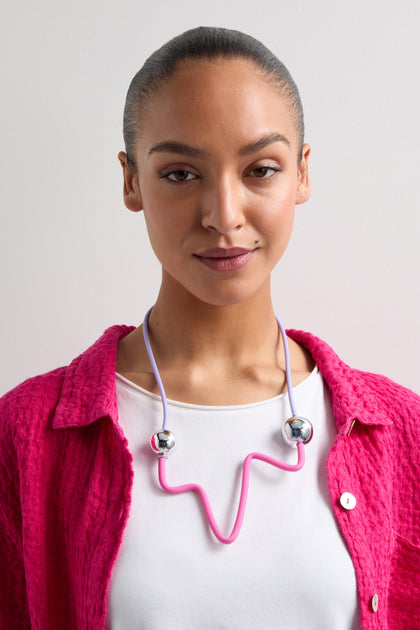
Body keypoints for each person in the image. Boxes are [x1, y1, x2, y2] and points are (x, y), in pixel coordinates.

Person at [0, 26, 419, 630]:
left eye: (261, 169)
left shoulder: (403, 433)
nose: (224, 215)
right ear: (130, 181)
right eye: (179, 174)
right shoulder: (25, 436)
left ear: (301, 174)